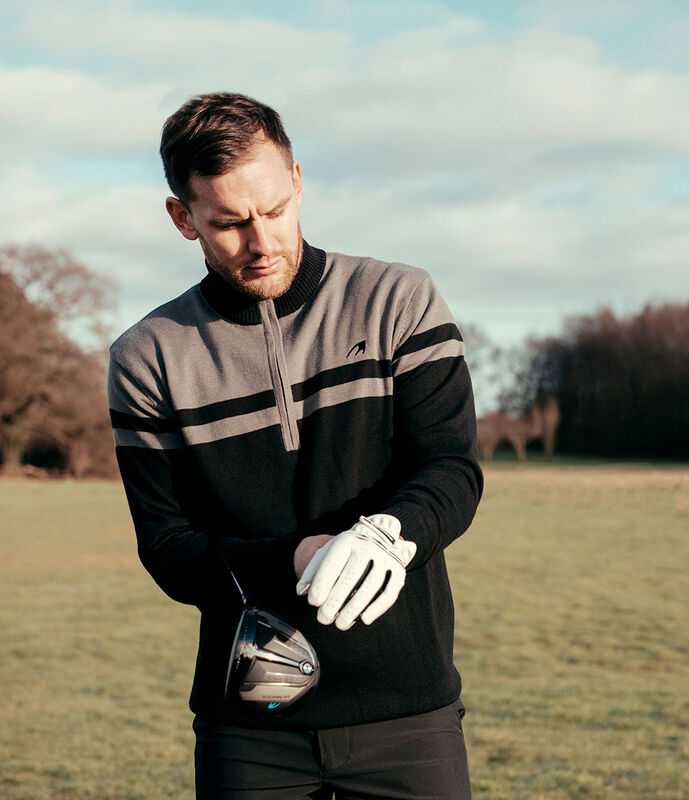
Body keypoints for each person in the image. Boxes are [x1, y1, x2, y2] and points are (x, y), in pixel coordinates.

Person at [107, 91, 483, 800]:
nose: (262, 243)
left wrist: (390, 533)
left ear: (298, 180)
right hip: (249, 729)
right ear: (182, 219)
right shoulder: (147, 358)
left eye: (276, 210)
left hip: (410, 716)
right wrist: (294, 557)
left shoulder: (398, 299)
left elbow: (451, 469)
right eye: (229, 224)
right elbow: (168, 548)